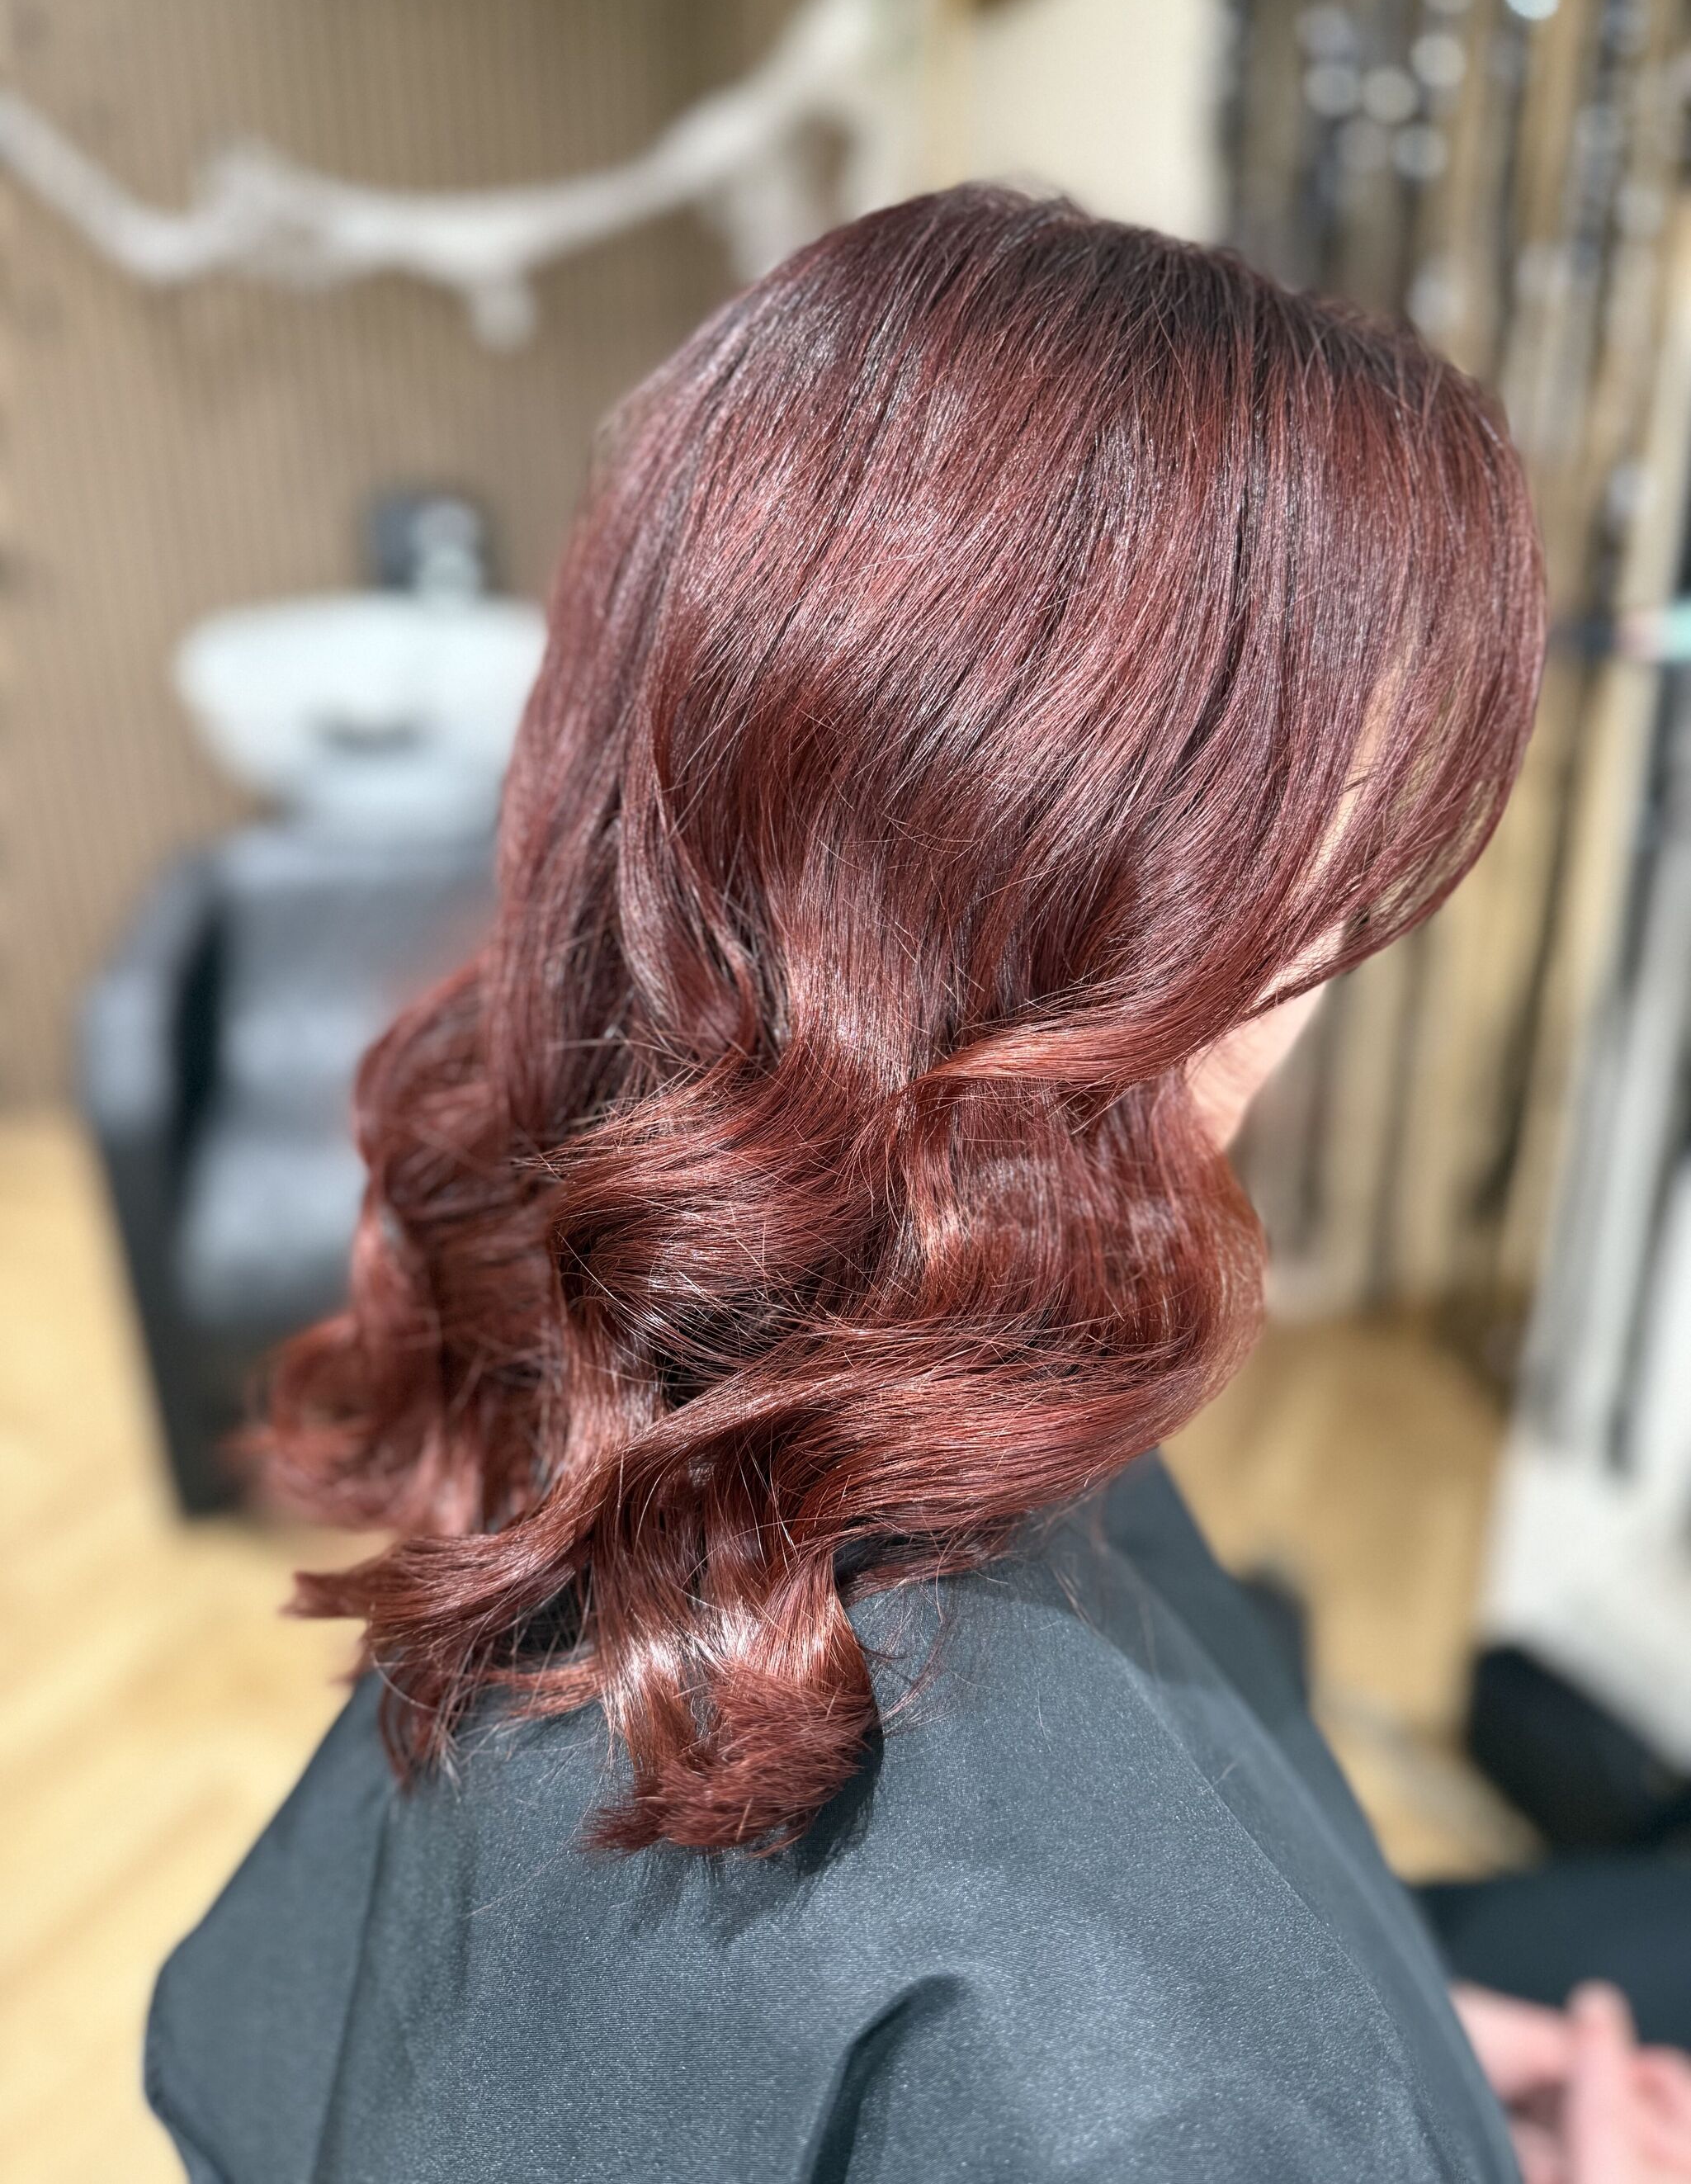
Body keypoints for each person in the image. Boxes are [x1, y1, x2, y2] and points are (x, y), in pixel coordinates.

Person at [145, 187, 1691, 2182]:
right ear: (1124, 898)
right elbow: (1107, 2049)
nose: (1335, 954)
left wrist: (1409, 2048)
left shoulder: (634, 1304)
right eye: (1331, 862)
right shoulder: (1125, 2060)